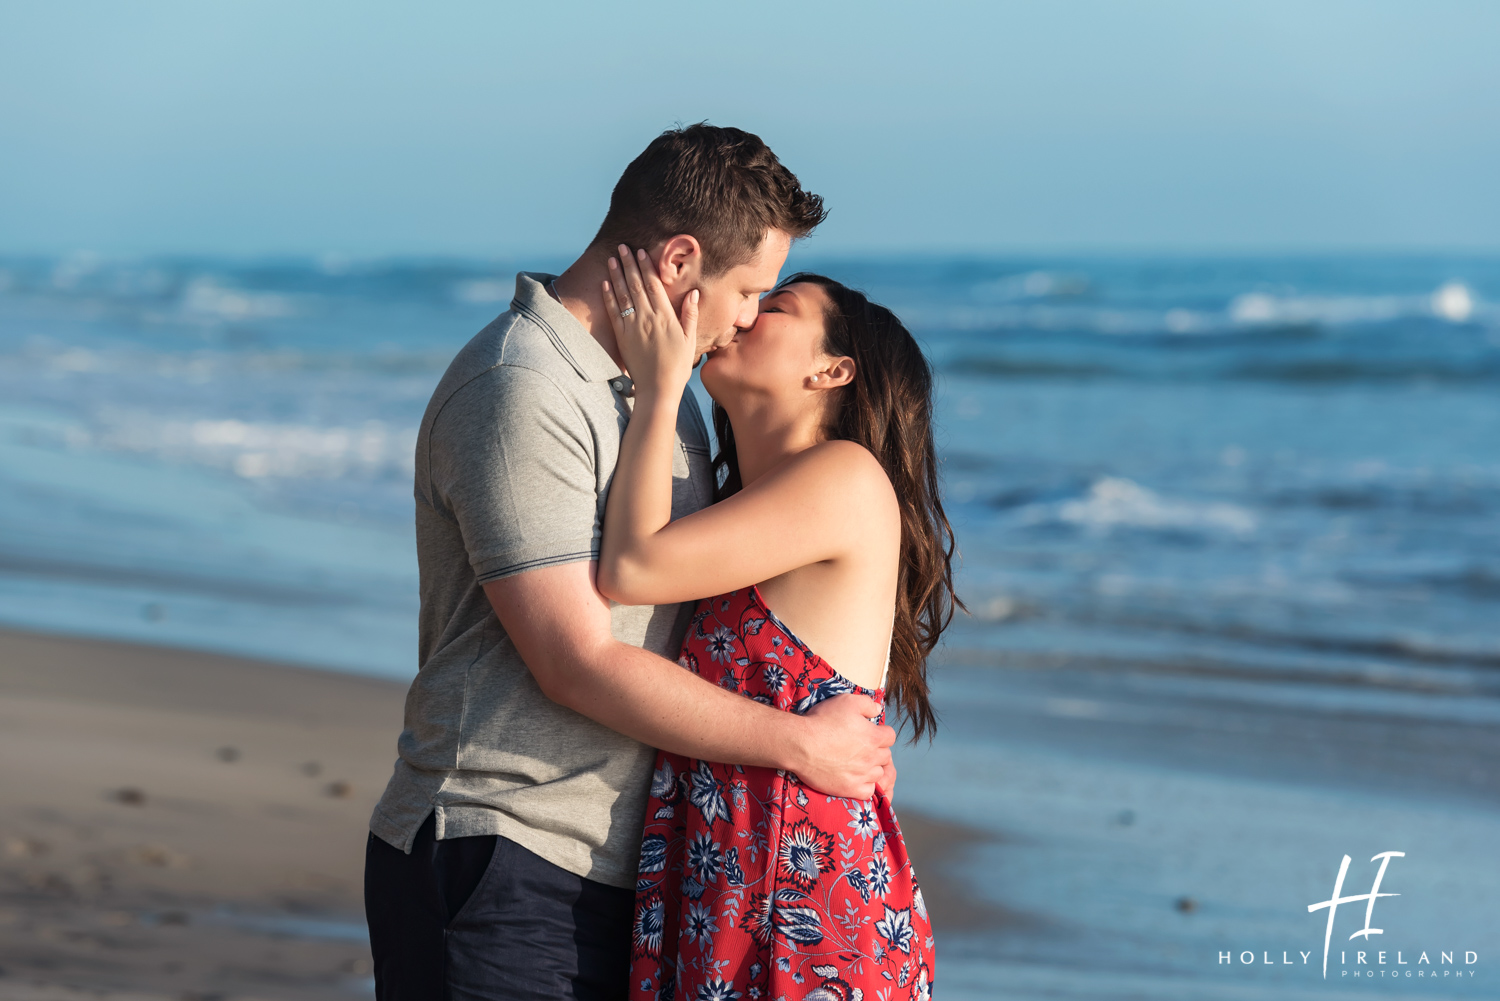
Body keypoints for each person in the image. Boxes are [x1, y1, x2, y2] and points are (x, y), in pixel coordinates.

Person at [363, 124, 899, 1001]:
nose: (744, 319)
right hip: (502, 847)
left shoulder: (662, 390)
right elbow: (577, 659)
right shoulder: (520, 388)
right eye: (750, 290)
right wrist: (803, 744)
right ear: (681, 260)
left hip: (633, 871)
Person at [594, 251, 958, 1000]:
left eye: (775, 306)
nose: (745, 311)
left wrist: (661, 384)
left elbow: (631, 569)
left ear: (833, 371)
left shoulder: (844, 474)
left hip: (804, 898)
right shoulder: (744, 505)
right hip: (730, 879)